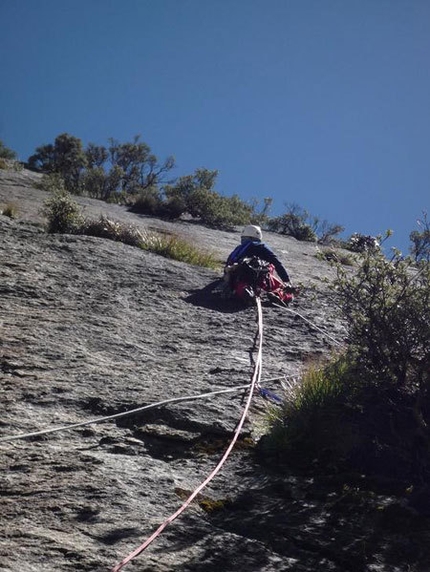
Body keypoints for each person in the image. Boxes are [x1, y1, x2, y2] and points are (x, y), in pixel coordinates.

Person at [223, 224, 296, 305]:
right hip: (258, 277)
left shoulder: (238, 249)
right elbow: (276, 262)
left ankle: (244, 291)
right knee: (270, 268)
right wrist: (286, 280)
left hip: (235, 277)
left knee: (241, 284)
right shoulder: (261, 246)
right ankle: (278, 294)